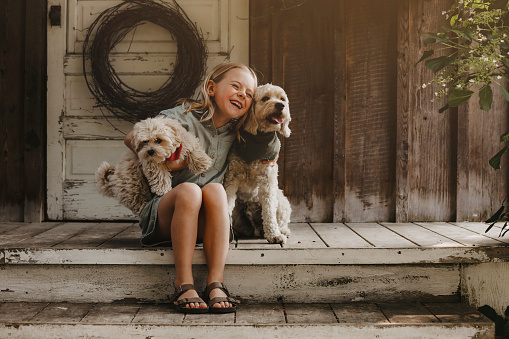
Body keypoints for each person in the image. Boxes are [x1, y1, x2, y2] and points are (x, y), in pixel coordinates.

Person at [124, 63, 257, 314]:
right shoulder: (181, 117)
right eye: (236, 87)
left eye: (249, 94)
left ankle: (215, 283)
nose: (243, 95)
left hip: (206, 223)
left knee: (215, 190)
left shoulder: (238, 132)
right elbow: (131, 137)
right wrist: (166, 160)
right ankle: (183, 283)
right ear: (211, 87)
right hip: (167, 215)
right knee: (189, 190)